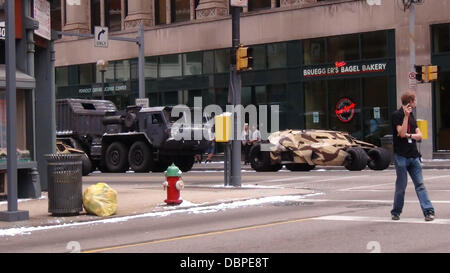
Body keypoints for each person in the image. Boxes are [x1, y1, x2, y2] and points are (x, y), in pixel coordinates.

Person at [390, 91, 435, 221]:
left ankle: (428, 211)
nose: (415, 103)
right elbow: (401, 133)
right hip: (401, 156)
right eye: (414, 100)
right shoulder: (397, 115)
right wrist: (405, 117)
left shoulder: (412, 117)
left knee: (420, 184)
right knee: (401, 186)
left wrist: (410, 135)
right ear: (410, 101)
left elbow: (419, 135)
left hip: (413, 156)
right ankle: (396, 212)